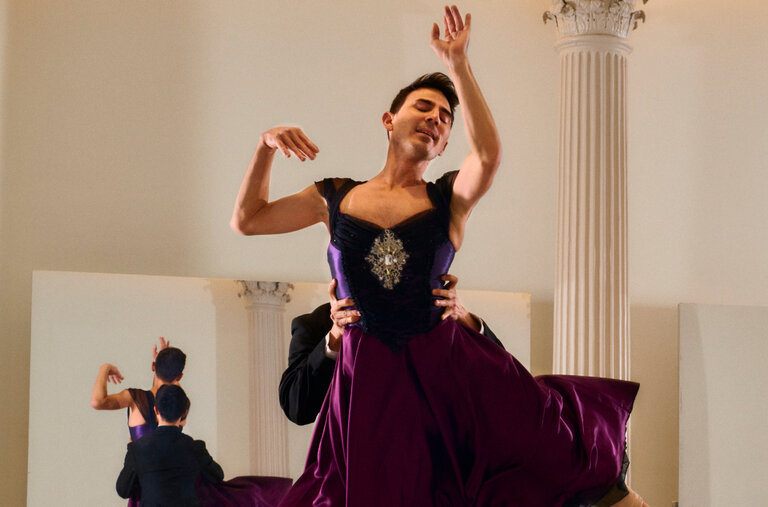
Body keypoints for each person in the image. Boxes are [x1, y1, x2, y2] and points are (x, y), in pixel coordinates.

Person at [231, 5, 646, 506]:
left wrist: (459, 64)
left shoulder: (448, 200)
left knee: (530, 458)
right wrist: (265, 145)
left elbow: (489, 155)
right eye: (424, 107)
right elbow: (248, 220)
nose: (435, 118)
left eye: (445, 118)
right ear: (389, 119)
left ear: (447, 141)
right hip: (365, 380)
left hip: (442, 372)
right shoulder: (333, 196)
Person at [93, 339, 292, 506]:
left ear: (153, 367)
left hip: (144, 492)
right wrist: (167, 362)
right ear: (179, 376)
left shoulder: (135, 399)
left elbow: (97, 401)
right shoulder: (182, 403)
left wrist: (105, 368)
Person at [279, 277, 504, 425]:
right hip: (355, 472)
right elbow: (298, 408)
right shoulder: (314, 325)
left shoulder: (439, 319)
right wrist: (336, 335)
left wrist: (464, 318)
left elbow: (504, 381)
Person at [116, 385, 223, 506]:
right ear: (184, 413)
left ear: (156, 410)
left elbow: (123, 490)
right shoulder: (195, 447)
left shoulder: (137, 449)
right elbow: (217, 476)